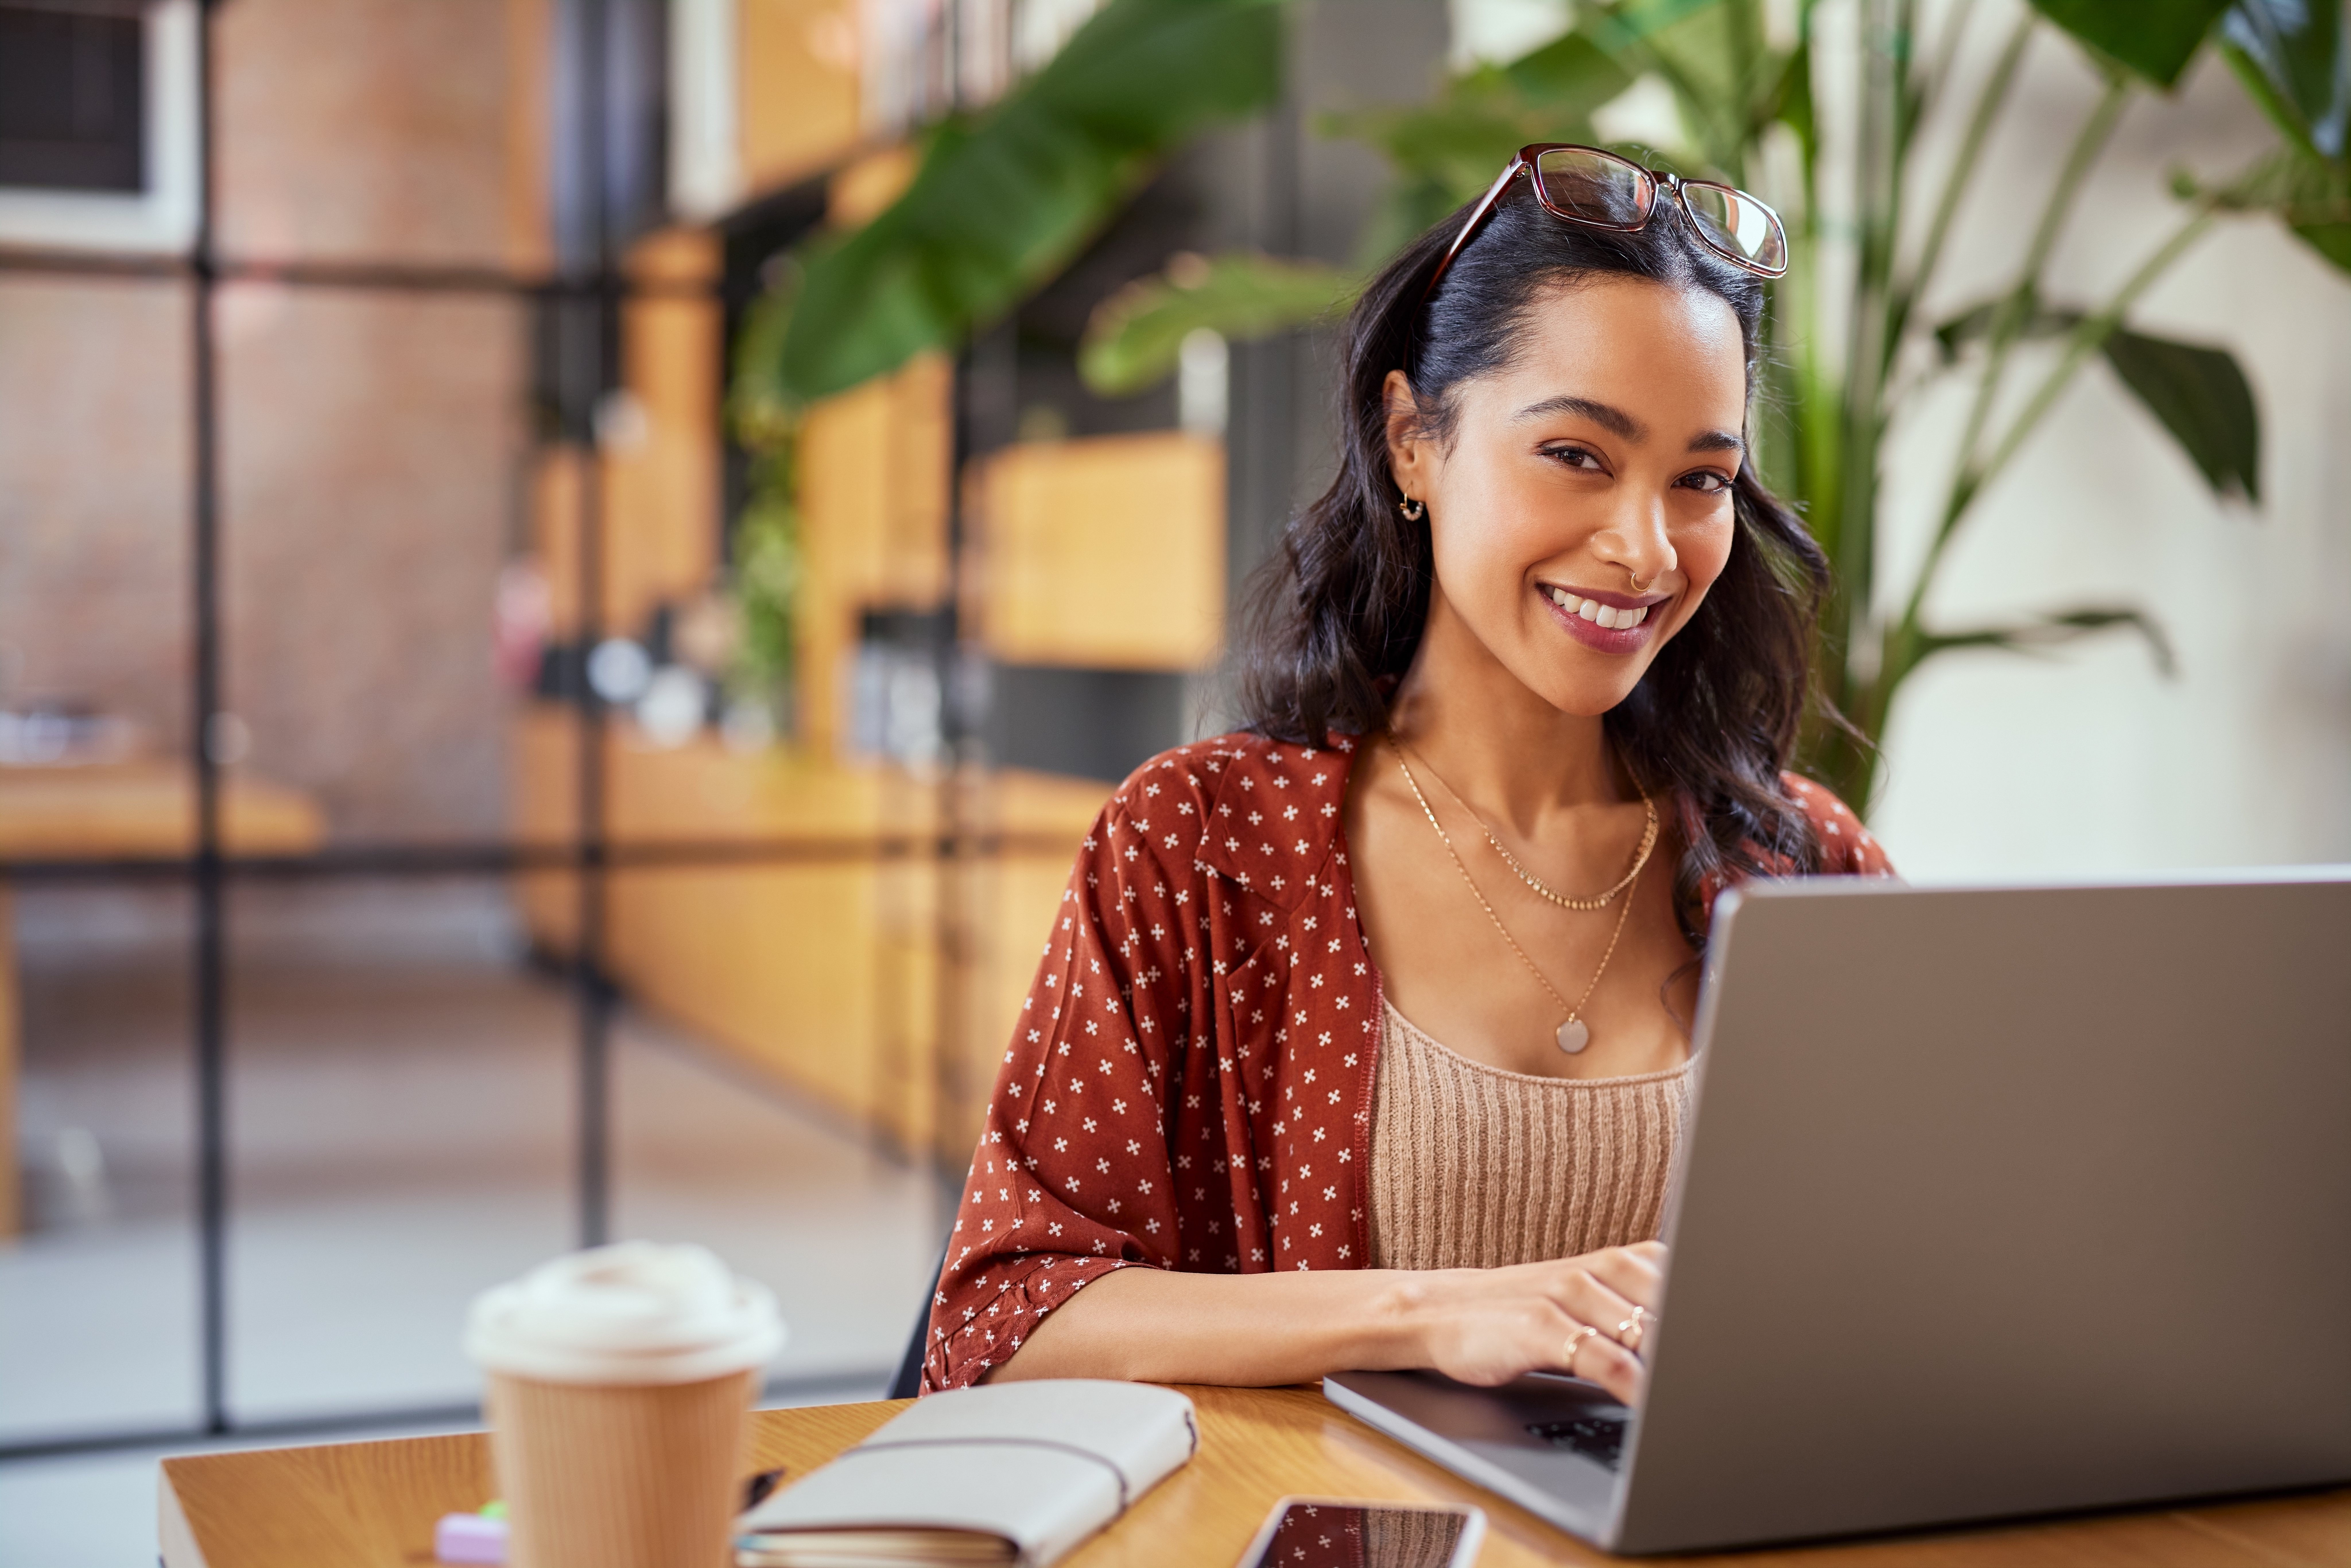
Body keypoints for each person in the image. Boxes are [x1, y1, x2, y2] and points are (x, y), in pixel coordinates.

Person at [922, 146, 1892, 1404]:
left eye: (1700, 479)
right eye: (1576, 456)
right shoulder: (1199, 845)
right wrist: (1437, 1312)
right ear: (1410, 440)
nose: (1645, 548)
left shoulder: (1802, 860)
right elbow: (1002, 1320)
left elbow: (1917, 1275)